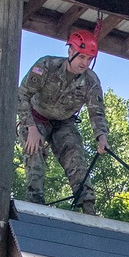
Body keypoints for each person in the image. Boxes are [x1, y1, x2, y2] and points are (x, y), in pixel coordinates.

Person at [17, 29, 109, 214]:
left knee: (75, 155)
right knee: (34, 151)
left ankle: (88, 206)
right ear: (70, 52)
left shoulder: (91, 81)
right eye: (81, 57)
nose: (84, 63)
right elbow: (21, 95)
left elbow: (96, 111)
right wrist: (31, 128)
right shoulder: (46, 66)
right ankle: (36, 204)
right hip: (35, 118)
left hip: (64, 122)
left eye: (89, 59)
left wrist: (101, 136)